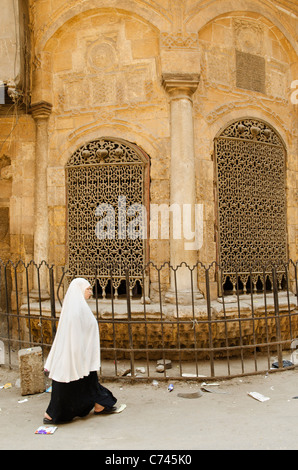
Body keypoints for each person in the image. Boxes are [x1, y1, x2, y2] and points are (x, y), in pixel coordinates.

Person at [43, 277, 117, 424]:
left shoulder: (76, 308)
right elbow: (76, 335)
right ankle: (53, 414)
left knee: (86, 383)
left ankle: (100, 404)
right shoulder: (77, 310)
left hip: (79, 356)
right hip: (76, 356)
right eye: (88, 289)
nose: (90, 292)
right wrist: (78, 356)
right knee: (70, 385)